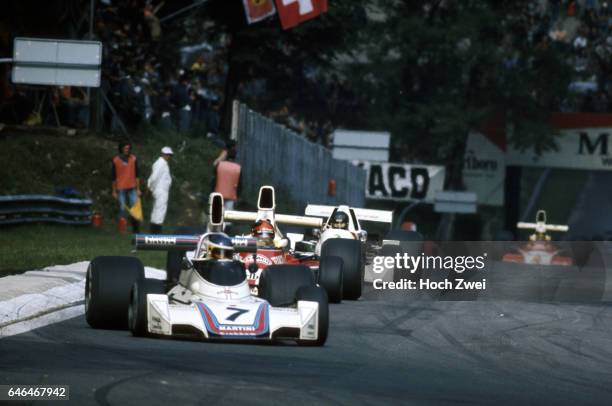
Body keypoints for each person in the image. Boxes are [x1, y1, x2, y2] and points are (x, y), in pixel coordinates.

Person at [112, 141, 142, 232]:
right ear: (121, 149)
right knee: (122, 208)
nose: (127, 150)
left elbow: (137, 175)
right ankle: (122, 229)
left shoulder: (133, 159)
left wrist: (138, 189)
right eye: (125, 148)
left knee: (135, 207)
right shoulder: (116, 160)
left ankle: (136, 229)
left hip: (132, 187)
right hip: (121, 187)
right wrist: (113, 191)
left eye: (128, 148)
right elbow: (113, 177)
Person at [212, 142, 241, 230]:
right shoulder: (238, 168)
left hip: (218, 193)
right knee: (228, 216)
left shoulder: (219, 165)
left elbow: (214, 179)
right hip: (231, 195)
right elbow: (240, 184)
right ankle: (226, 232)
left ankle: (216, 231)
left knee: (217, 215)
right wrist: (238, 195)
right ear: (235, 156)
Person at [147, 146, 173, 233]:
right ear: (162, 154)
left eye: (169, 154)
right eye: (167, 154)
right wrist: (150, 188)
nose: (168, 156)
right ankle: (157, 232)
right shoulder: (161, 163)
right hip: (160, 190)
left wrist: (151, 188)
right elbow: (153, 178)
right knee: (160, 210)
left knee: (157, 209)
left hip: (161, 190)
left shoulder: (162, 163)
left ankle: (154, 231)